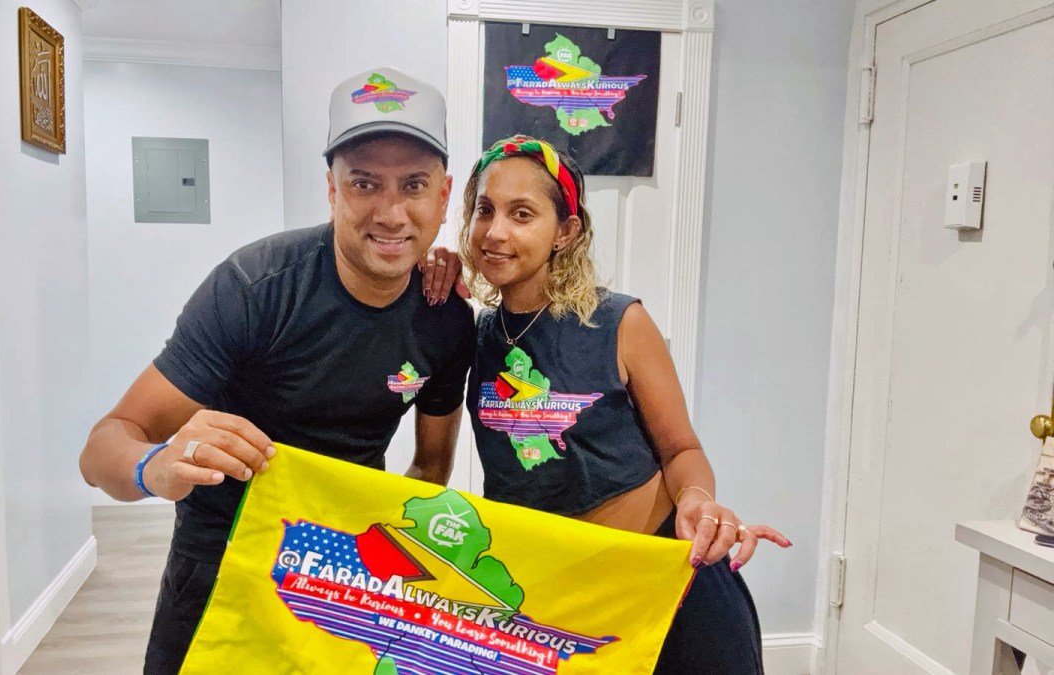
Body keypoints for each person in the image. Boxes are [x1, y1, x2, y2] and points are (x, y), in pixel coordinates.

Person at [78, 68, 473, 675]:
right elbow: (102, 448)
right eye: (364, 182)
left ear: (443, 197)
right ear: (332, 190)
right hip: (222, 559)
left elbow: (430, 469)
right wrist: (153, 466)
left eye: (413, 185)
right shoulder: (254, 288)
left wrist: (394, 559)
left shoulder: (446, 319)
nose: (391, 212)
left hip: (344, 573)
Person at [455, 135, 791, 674]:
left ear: (565, 232)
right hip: (559, 599)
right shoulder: (474, 336)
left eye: (522, 214)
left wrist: (697, 502)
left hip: (665, 579)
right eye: (484, 210)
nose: (495, 232)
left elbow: (681, 449)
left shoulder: (618, 322)